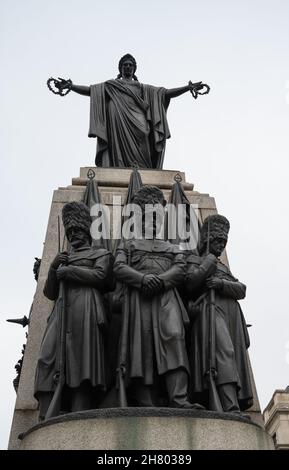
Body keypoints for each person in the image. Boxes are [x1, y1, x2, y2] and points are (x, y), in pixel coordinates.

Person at [113, 185, 202, 408]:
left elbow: (180, 269)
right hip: (139, 298)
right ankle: (145, 400)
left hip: (166, 298)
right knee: (142, 346)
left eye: (157, 219)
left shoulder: (172, 248)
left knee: (174, 337)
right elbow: (119, 268)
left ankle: (179, 398)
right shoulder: (129, 244)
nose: (153, 223)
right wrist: (142, 279)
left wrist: (161, 281)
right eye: (149, 218)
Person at [34, 202, 114, 419]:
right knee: (47, 357)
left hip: (86, 307)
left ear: (87, 231)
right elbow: (49, 293)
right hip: (61, 311)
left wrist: (70, 271)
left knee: (83, 360)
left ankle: (79, 410)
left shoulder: (101, 253)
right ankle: (45, 415)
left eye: (78, 230)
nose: (73, 235)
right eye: (70, 232)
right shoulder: (62, 259)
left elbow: (100, 276)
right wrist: (53, 267)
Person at [55, 54, 202, 168]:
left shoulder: (142, 87)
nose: (128, 67)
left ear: (134, 68)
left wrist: (187, 88)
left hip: (137, 117)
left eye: (130, 65)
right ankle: (118, 166)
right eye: (125, 65)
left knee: (145, 133)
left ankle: (143, 168)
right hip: (116, 116)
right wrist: (71, 86)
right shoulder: (111, 85)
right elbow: (91, 91)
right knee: (116, 144)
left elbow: (164, 93)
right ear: (120, 68)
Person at [185, 215, 253, 413]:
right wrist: (207, 263)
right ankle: (229, 405)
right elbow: (190, 283)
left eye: (224, 242)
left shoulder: (223, 267)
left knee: (233, 357)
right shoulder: (194, 260)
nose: (221, 245)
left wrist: (221, 283)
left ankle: (234, 403)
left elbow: (241, 289)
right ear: (207, 239)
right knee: (223, 354)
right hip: (210, 310)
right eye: (217, 241)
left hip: (232, 315)